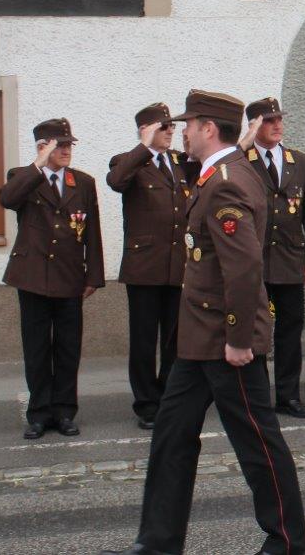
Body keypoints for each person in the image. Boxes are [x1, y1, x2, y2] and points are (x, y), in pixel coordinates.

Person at [102, 89, 305, 555]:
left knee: (258, 443)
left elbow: (243, 268)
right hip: (198, 341)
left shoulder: (228, 180)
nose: (184, 133)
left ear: (208, 129)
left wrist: (239, 339)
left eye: (189, 124)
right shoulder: (220, 173)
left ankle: (288, 544)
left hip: (225, 341)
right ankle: (158, 542)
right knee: (171, 437)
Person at [0, 117, 104, 440]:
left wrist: (94, 275)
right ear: (43, 147)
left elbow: (93, 232)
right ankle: (39, 414)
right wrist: (39, 163)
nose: (66, 150)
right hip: (32, 278)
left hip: (70, 277)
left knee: (68, 348)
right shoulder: (23, 177)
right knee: (37, 348)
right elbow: (7, 199)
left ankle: (64, 411)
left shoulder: (82, 182)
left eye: (69, 145)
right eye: (60, 145)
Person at [107, 103, 191, 430]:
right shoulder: (129, 162)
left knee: (174, 338)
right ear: (146, 129)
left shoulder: (177, 163)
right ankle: (146, 403)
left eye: (171, 127)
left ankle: (168, 395)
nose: (171, 131)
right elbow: (116, 180)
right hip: (144, 268)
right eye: (164, 127)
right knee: (144, 340)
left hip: (176, 265)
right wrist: (143, 146)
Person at [241, 97, 305, 419]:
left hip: (290, 260)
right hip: (255, 262)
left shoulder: (299, 161)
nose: (276, 125)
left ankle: (289, 395)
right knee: (257, 330)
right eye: (268, 121)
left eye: (279, 119)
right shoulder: (241, 161)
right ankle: (258, 397)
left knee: (290, 329)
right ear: (254, 126)